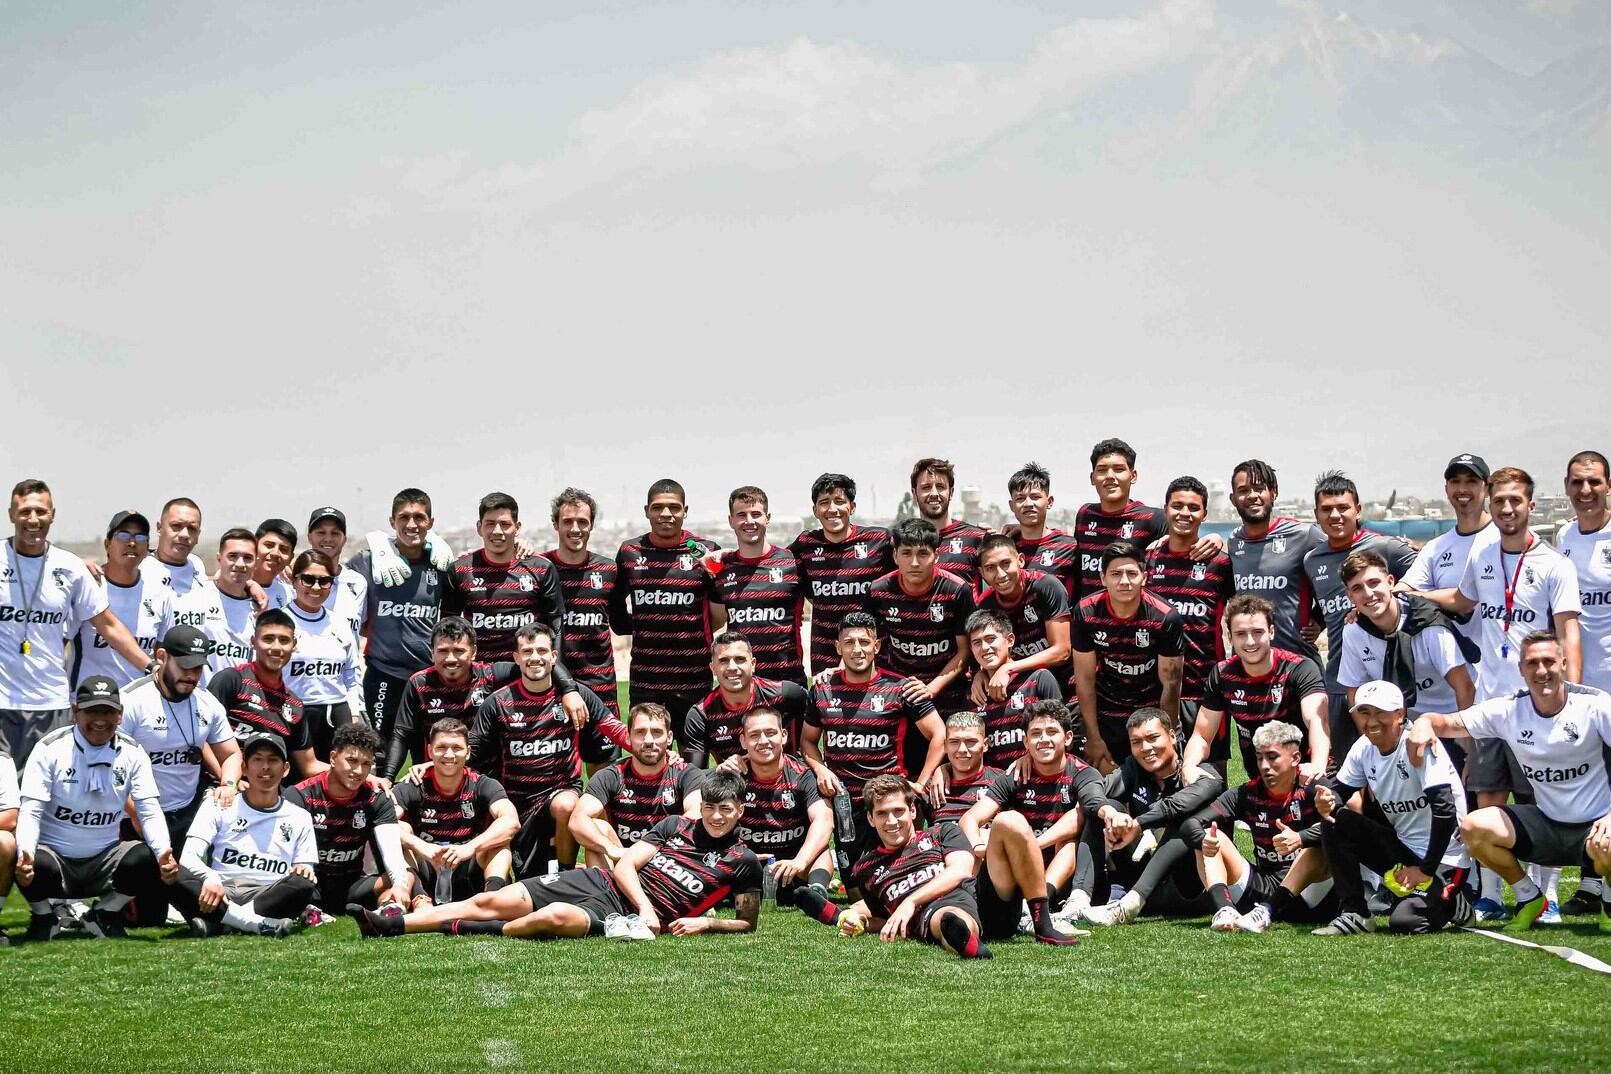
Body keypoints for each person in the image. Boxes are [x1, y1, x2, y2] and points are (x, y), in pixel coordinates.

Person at [1415, 466, 1582, 919]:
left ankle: (1546, 900)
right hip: (1491, 706)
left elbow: (1569, 635)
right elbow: (1463, 601)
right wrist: (1411, 592)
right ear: (1491, 503)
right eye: (1500, 501)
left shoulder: (1554, 564)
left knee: (1538, 804)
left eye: (1516, 501)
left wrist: (1570, 699)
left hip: (1538, 706)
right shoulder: (1484, 554)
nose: (1507, 509)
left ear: (1531, 505)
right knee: (1486, 800)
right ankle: (1494, 895)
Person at [350, 768, 762, 942]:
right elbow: (626, 864)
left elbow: (747, 923)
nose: (717, 816)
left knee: (551, 919)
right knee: (490, 901)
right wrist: (644, 904)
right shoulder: (677, 826)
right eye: (710, 807)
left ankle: (459, 929)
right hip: (605, 885)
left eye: (726, 809)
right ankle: (390, 926)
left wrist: (706, 925)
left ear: (740, 811)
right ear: (702, 805)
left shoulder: (742, 861)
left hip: (626, 920)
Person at [1406, 632, 1611, 932]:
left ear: (1564, 664)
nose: (1541, 671)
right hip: (1547, 824)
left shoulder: (1595, 704)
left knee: (1608, 845)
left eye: (1549, 662)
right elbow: (1450, 722)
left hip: (1596, 824)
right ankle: (1529, 898)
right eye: (1532, 663)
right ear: (1521, 670)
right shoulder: (1509, 709)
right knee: (1474, 828)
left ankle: (1608, 900)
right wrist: (1424, 723)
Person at [12, 676, 178, 941]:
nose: (100, 720)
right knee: (22, 855)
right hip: (55, 861)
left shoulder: (134, 753)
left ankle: (103, 913)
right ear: (76, 712)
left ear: (120, 716)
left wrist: (163, 853)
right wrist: (26, 854)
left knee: (147, 857)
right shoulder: (49, 749)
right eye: (92, 711)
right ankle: (44, 917)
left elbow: (148, 809)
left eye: (108, 711)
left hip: (105, 860)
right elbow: (31, 810)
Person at [3, 479, 156, 764]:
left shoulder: (70, 567)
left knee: (45, 800)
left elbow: (108, 625)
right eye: (24, 512)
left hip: (51, 704)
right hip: (2, 705)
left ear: (53, 515)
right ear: (12, 514)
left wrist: (151, 666)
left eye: (40, 511)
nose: (33, 520)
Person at [1314, 681, 1473, 936]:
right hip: (1404, 852)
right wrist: (1327, 801)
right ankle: (1355, 913)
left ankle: (1453, 902)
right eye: (1364, 713)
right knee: (1335, 819)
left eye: (1380, 713)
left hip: (1444, 861)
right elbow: (1338, 793)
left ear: (1400, 714)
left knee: (1405, 922)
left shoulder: (1418, 744)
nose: (1371, 721)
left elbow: (1445, 810)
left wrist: (1425, 870)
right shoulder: (1364, 747)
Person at [468, 623, 627, 877]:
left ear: (554, 656)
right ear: (516, 658)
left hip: (562, 790)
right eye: (527, 651)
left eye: (542, 651)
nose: (535, 658)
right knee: (529, 876)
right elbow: (471, 752)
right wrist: (430, 766)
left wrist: (657, 749)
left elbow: (614, 729)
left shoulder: (578, 696)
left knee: (566, 804)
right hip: (518, 800)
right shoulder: (497, 703)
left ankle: (564, 873)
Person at [795, 775, 1001, 957]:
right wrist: (864, 924)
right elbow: (886, 918)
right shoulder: (865, 868)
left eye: (898, 811)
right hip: (919, 920)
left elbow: (960, 870)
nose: (891, 821)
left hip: (960, 898)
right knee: (939, 920)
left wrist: (910, 902)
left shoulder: (942, 833)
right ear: (871, 819)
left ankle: (967, 941)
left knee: (947, 915)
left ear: (912, 811)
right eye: (882, 813)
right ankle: (840, 916)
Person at [802, 612, 944, 874]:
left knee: (899, 876)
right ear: (838, 647)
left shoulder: (900, 688)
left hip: (887, 802)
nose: (857, 649)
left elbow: (939, 734)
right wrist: (821, 769)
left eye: (864, 642)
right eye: (849, 642)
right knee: (856, 886)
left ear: (876, 646)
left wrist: (921, 784)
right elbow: (808, 742)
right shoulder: (821, 689)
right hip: (846, 804)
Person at [1303, 471, 1419, 759]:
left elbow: (1425, 576)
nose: (1336, 515)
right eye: (1327, 509)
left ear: (1358, 509)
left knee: (1396, 764)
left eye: (1343, 507)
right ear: (1316, 515)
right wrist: (1317, 621)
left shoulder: (1385, 547)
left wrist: (1374, 605)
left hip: (1385, 677)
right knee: (1350, 766)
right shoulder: (1312, 559)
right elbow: (1325, 599)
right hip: (1340, 682)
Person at [959, 700, 1107, 921]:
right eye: (1036, 734)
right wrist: (980, 846)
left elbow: (1080, 816)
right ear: (1026, 742)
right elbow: (970, 818)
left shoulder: (1083, 772)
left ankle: (1037, 906)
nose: (1044, 739)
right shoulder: (1015, 775)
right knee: (987, 831)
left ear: (1067, 738)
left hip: (1064, 873)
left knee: (1068, 842)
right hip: (1022, 870)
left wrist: (1032, 844)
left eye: (1051, 732)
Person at [1077, 708, 1225, 926]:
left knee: (1186, 822)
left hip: (1188, 890)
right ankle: (1077, 900)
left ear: (1173, 736)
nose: (1145, 748)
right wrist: (1108, 812)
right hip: (1143, 883)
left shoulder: (1203, 773)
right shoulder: (1133, 768)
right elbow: (1094, 788)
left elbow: (1175, 806)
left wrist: (1139, 824)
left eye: (1153, 738)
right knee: (1108, 806)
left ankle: (1130, 904)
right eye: (1136, 742)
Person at [1186, 720, 1336, 933]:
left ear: (1295, 759)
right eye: (1259, 758)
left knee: (1319, 848)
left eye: (1272, 757)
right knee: (1209, 836)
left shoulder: (1315, 788)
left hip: (1309, 894)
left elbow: (1346, 824)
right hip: (1261, 887)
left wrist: (1301, 838)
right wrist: (1203, 840)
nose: (1265, 766)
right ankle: (1225, 911)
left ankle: (1267, 911)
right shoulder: (1246, 793)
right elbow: (1190, 824)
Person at [171, 731, 318, 937]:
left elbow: (306, 869)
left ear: (285, 769)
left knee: (302, 883)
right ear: (244, 768)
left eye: (273, 760)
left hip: (268, 895)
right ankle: (254, 923)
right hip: (220, 891)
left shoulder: (300, 816)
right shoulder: (218, 803)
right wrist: (210, 877)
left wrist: (304, 868)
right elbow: (188, 857)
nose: (265, 767)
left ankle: (222, 923)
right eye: (257, 759)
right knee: (171, 872)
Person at [1337, 550, 1475, 768]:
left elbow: (1464, 687)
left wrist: (1471, 753)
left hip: (1450, 721)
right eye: (1357, 588)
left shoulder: (1429, 626)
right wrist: (1372, 748)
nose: (1369, 593)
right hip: (1399, 725)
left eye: (1374, 583)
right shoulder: (1354, 631)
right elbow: (1354, 693)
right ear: (1350, 597)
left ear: (1391, 582)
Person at [613, 479, 724, 743]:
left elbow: (719, 613)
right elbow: (616, 611)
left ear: (685, 510)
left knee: (693, 764)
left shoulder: (706, 552)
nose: (666, 514)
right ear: (646, 511)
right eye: (658, 507)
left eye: (674, 507)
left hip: (693, 681)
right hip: (646, 681)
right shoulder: (629, 552)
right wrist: (645, 624)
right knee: (648, 758)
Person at [118, 626, 242, 849]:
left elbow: (232, 754)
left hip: (187, 812)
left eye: (197, 668)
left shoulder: (208, 703)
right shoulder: (131, 701)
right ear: (162, 657)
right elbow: (109, 767)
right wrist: (136, 813)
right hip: (134, 814)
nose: (191, 675)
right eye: (184, 666)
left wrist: (229, 784)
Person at [1183, 594, 1330, 782]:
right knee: (1201, 785)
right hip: (1259, 781)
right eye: (1241, 634)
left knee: (1336, 801)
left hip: (1303, 773)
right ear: (1230, 637)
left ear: (1272, 632)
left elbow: (1318, 721)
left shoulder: (1301, 668)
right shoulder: (1222, 674)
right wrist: (1188, 766)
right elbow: (1202, 736)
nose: (1250, 642)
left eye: (1257, 632)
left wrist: (1317, 765)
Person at [1070, 540, 1184, 773]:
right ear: (1103, 578)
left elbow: (1170, 686)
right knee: (1106, 786)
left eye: (1131, 573)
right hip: (1106, 713)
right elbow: (1084, 678)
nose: (1124, 581)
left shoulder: (1165, 617)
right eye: (1116, 574)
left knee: (1158, 780)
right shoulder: (1085, 611)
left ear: (1144, 577)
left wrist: (1163, 736)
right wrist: (1093, 737)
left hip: (1149, 711)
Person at [346, 490, 452, 740]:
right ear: (392, 522)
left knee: (429, 750)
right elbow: (329, 580)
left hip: (427, 675)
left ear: (431, 523)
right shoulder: (367, 562)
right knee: (379, 752)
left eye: (419, 517)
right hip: (383, 674)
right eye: (404, 517)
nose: (411, 524)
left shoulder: (441, 564)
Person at [1555, 450, 1611, 914]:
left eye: (1593, 482)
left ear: (1608, 485)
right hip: (1584, 687)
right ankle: (1593, 884)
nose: (1585, 491)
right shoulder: (1565, 536)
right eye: (1577, 483)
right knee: (1594, 786)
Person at [282, 722, 412, 913]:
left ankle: (388, 909)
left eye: (366, 764)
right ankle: (305, 908)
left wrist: (400, 885)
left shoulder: (376, 799)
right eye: (351, 761)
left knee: (405, 876)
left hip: (352, 885)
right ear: (333, 758)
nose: (358, 771)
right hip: (308, 882)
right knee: (293, 882)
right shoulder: (299, 795)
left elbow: (391, 850)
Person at [392, 717, 520, 905]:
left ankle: (493, 896)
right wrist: (423, 847)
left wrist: (469, 848)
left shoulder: (482, 784)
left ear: (468, 752)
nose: (449, 755)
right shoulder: (413, 785)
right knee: (399, 829)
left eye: (457, 748)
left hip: (468, 866)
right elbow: (381, 823)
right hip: (427, 867)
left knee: (499, 838)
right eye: (441, 747)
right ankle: (419, 899)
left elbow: (511, 822)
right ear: (429, 751)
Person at [1143, 477, 1235, 733]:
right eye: (1177, 506)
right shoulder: (1149, 558)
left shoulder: (1221, 563)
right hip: (1155, 686)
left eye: (1193, 508)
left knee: (1211, 768)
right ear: (1166, 510)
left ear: (1205, 514)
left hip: (1205, 687)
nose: (1185, 513)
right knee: (1158, 766)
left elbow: (1238, 615)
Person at [863, 518, 976, 723]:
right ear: (895, 556)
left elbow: (965, 651)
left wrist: (930, 689)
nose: (914, 563)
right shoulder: (878, 590)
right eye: (906, 553)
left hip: (948, 693)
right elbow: (864, 639)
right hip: (899, 692)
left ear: (936, 556)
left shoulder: (957, 590)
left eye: (923, 553)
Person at [380, 617, 517, 781]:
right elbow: (402, 734)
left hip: (484, 779)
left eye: (459, 651)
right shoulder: (419, 683)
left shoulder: (490, 676)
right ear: (432, 653)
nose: (451, 659)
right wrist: (387, 777)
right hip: (436, 775)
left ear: (473, 652)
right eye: (443, 651)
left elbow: (537, 665)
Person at [569, 703, 703, 869]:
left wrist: (645, 852)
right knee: (598, 830)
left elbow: (695, 816)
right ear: (628, 736)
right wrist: (612, 850)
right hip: (622, 859)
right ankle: (603, 892)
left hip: (669, 864)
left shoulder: (686, 774)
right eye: (640, 732)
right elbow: (577, 820)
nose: (648, 741)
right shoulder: (611, 776)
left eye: (656, 732)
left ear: (669, 738)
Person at [789, 473, 893, 677]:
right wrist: (726, 556)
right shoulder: (805, 545)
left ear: (852, 507)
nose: (832, 509)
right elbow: (769, 560)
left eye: (839, 501)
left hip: (872, 657)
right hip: (824, 659)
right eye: (824, 503)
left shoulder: (879, 540)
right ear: (815, 510)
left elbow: (916, 550)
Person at [729, 704, 835, 905]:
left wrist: (800, 861)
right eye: (754, 735)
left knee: (820, 850)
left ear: (783, 735)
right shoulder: (734, 777)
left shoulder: (803, 775)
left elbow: (824, 820)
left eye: (770, 733)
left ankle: (816, 892)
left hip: (795, 864)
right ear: (743, 741)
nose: (763, 741)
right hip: (751, 863)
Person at [443, 492, 565, 663]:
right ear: (479, 527)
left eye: (505, 524)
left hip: (526, 674)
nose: (497, 531)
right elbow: (448, 629)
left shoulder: (541, 569)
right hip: (479, 676)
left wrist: (555, 671)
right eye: (490, 524)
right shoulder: (460, 570)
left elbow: (556, 627)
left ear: (517, 527)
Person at [1225, 459, 1324, 666]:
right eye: (1243, 490)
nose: (1252, 495)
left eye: (1259, 488)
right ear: (1233, 499)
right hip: (1248, 664)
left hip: (1297, 663)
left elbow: (1341, 566)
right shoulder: (1233, 542)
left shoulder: (1304, 535)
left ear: (1273, 492)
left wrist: (1320, 618)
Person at [1399, 454, 1493, 664]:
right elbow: (1401, 592)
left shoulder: (1503, 539)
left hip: (1503, 669)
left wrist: (1421, 596)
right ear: (1446, 489)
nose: (1462, 489)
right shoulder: (1436, 547)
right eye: (1455, 481)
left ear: (1486, 488)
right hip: (1452, 672)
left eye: (1471, 481)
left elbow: (1464, 601)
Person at [207, 610, 323, 780]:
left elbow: (309, 766)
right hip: (221, 787)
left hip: (266, 792)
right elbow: (200, 735)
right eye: (268, 639)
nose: (276, 647)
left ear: (294, 644)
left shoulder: (295, 706)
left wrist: (362, 776)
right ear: (253, 642)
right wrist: (229, 782)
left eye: (284, 640)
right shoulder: (231, 680)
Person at [708, 486, 805, 686]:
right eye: (741, 515)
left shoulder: (793, 563)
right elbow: (715, 622)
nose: (749, 521)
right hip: (742, 685)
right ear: (731, 521)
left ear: (767, 518)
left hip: (787, 682)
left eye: (756, 514)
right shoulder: (722, 569)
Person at [543, 488, 626, 716]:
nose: (575, 529)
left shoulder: (608, 570)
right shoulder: (539, 568)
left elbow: (622, 620)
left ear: (591, 524)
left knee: (605, 752)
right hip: (554, 685)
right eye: (568, 521)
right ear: (555, 524)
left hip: (601, 687)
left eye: (582, 521)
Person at [74, 509, 173, 687]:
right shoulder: (89, 586)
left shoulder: (160, 594)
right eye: (123, 535)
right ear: (107, 544)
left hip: (141, 706)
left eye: (140, 537)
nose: (132, 543)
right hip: (91, 705)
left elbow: (163, 655)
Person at [283, 550, 366, 760]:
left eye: (324, 581)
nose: (316, 587)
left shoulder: (339, 623)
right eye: (308, 580)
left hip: (337, 713)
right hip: (293, 713)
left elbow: (350, 675)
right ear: (294, 581)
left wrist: (354, 714)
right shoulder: (280, 621)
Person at [682, 631, 808, 768]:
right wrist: (719, 772)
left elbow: (825, 717)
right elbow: (694, 776)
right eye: (723, 661)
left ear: (753, 664)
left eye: (740, 659)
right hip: (734, 784)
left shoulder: (786, 695)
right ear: (713, 668)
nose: (732, 667)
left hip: (787, 781)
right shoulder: (701, 715)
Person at [972, 534, 1072, 702]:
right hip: (1024, 688)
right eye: (990, 568)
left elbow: (1062, 651)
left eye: (1006, 563)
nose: (1001, 574)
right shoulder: (985, 606)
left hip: (1067, 686)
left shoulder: (1047, 587)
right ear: (981, 573)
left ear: (1020, 560)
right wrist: (979, 673)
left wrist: (1008, 668)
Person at [963, 610, 1063, 768]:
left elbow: (1061, 734)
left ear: (1010, 640)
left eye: (990, 639)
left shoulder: (1039, 679)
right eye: (977, 643)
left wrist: (1031, 757)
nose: (984, 648)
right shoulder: (972, 693)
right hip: (994, 786)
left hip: (1038, 780)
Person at [1075, 438, 1167, 599]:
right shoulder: (1085, 514)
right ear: (1092, 477)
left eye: (1118, 469)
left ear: (1133, 476)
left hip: (1134, 619)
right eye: (1102, 470)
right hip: (1089, 619)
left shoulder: (1154, 519)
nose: (1110, 476)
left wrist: (1215, 539)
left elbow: (1190, 546)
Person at [1007, 462, 1081, 600]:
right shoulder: (1006, 546)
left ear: (1049, 501)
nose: (1028, 504)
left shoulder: (1069, 546)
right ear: (1012, 506)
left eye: (1035, 497)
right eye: (1020, 498)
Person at [910, 458, 990, 587]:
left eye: (940, 487)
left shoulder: (977, 538)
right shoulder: (902, 542)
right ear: (914, 494)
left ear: (951, 492)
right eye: (926, 487)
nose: (934, 493)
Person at [927, 712, 1007, 824]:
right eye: (954, 742)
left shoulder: (1002, 781)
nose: (962, 749)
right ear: (945, 746)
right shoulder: (932, 787)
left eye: (971, 742)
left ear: (985, 745)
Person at [203, 529, 262, 678]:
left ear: (256, 562)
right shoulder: (198, 595)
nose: (240, 564)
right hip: (200, 696)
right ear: (219, 559)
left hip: (239, 697)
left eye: (248, 558)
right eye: (233, 556)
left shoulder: (260, 608)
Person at [307, 507, 366, 643]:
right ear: (310, 537)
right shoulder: (294, 580)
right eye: (321, 532)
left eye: (335, 533)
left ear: (344, 539)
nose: (328, 539)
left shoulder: (358, 582)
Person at [252, 519, 298, 608]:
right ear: (254, 547)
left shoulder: (289, 595)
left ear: (290, 558)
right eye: (269, 545)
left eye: (283, 549)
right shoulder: (232, 586)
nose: (275, 553)